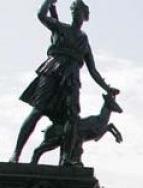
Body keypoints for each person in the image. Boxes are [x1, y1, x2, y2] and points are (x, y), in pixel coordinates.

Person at [13, 0, 119, 166]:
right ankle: (16, 154)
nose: (75, 14)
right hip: (53, 70)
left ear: (85, 16)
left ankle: (66, 159)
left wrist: (107, 87)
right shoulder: (60, 27)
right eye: (73, 10)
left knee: (72, 119)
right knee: (37, 111)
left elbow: (93, 70)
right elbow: (41, 15)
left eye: (78, 11)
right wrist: (48, 1)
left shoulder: (84, 39)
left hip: (71, 79)